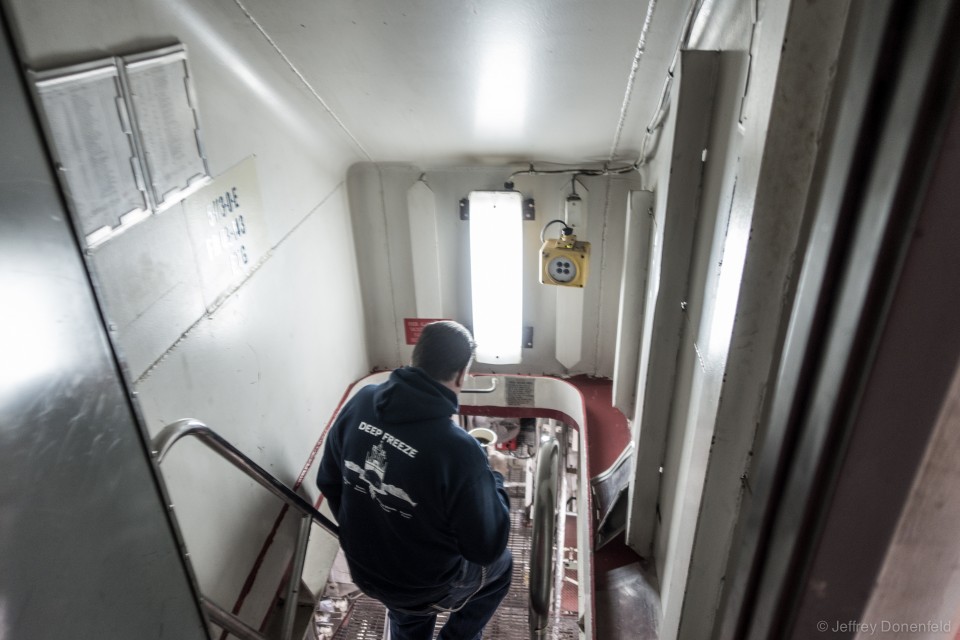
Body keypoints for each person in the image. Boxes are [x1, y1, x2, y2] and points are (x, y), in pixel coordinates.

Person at [316, 320, 513, 640]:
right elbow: (486, 548)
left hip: (366, 571)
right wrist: (496, 477)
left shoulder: (361, 400)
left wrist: (368, 539)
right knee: (502, 568)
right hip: (426, 584)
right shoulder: (459, 450)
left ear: (414, 360)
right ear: (463, 375)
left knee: (407, 609)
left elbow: (329, 482)